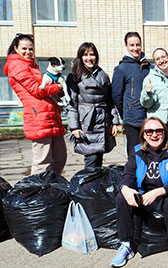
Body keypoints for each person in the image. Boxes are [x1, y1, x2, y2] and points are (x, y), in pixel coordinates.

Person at [110, 117, 168, 268]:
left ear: (164, 133)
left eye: (158, 131)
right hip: (143, 196)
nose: (154, 135)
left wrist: (158, 192)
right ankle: (126, 244)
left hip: (163, 197)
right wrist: (125, 188)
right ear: (144, 135)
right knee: (121, 198)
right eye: (149, 131)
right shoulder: (137, 151)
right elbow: (128, 174)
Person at [4, 34, 67, 175]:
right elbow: (37, 90)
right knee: (42, 162)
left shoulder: (31, 65)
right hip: (38, 117)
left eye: (31, 49)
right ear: (16, 48)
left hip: (49, 114)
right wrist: (59, 88)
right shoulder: (17, 65)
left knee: (59, 157)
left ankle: (52, 189)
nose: (28, 52)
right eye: (24, 48)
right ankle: (36, 192)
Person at [66, 43, 120, 169]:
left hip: (103, 122)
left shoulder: (103, 75)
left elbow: (109, 101)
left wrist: (115, 122)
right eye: (85, 55)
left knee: (99, 159)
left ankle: (95, 186)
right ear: (80, 57)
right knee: (91, 159)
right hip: (86, 123)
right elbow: (72, 105)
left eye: (92, 54)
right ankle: (88, 186)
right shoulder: (74, 77)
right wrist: (74, 127)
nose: (89, 58)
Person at [112, 32, 150, 156]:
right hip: (132, 119)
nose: (135, 48)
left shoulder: (148, 66)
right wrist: (126, 112)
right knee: (134, 154)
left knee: (150, 154)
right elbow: (116, 95)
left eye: (138, 45)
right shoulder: (121, 68)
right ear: (126, 46)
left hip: (149, 117)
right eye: (132, 45)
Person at [140, 48, 168, 126]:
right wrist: (148, 94)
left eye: (163, 57)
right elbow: (146, 105)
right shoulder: (150, 79)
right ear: (154, 62)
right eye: (157, 59)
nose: (161, 61)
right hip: (159, 124)